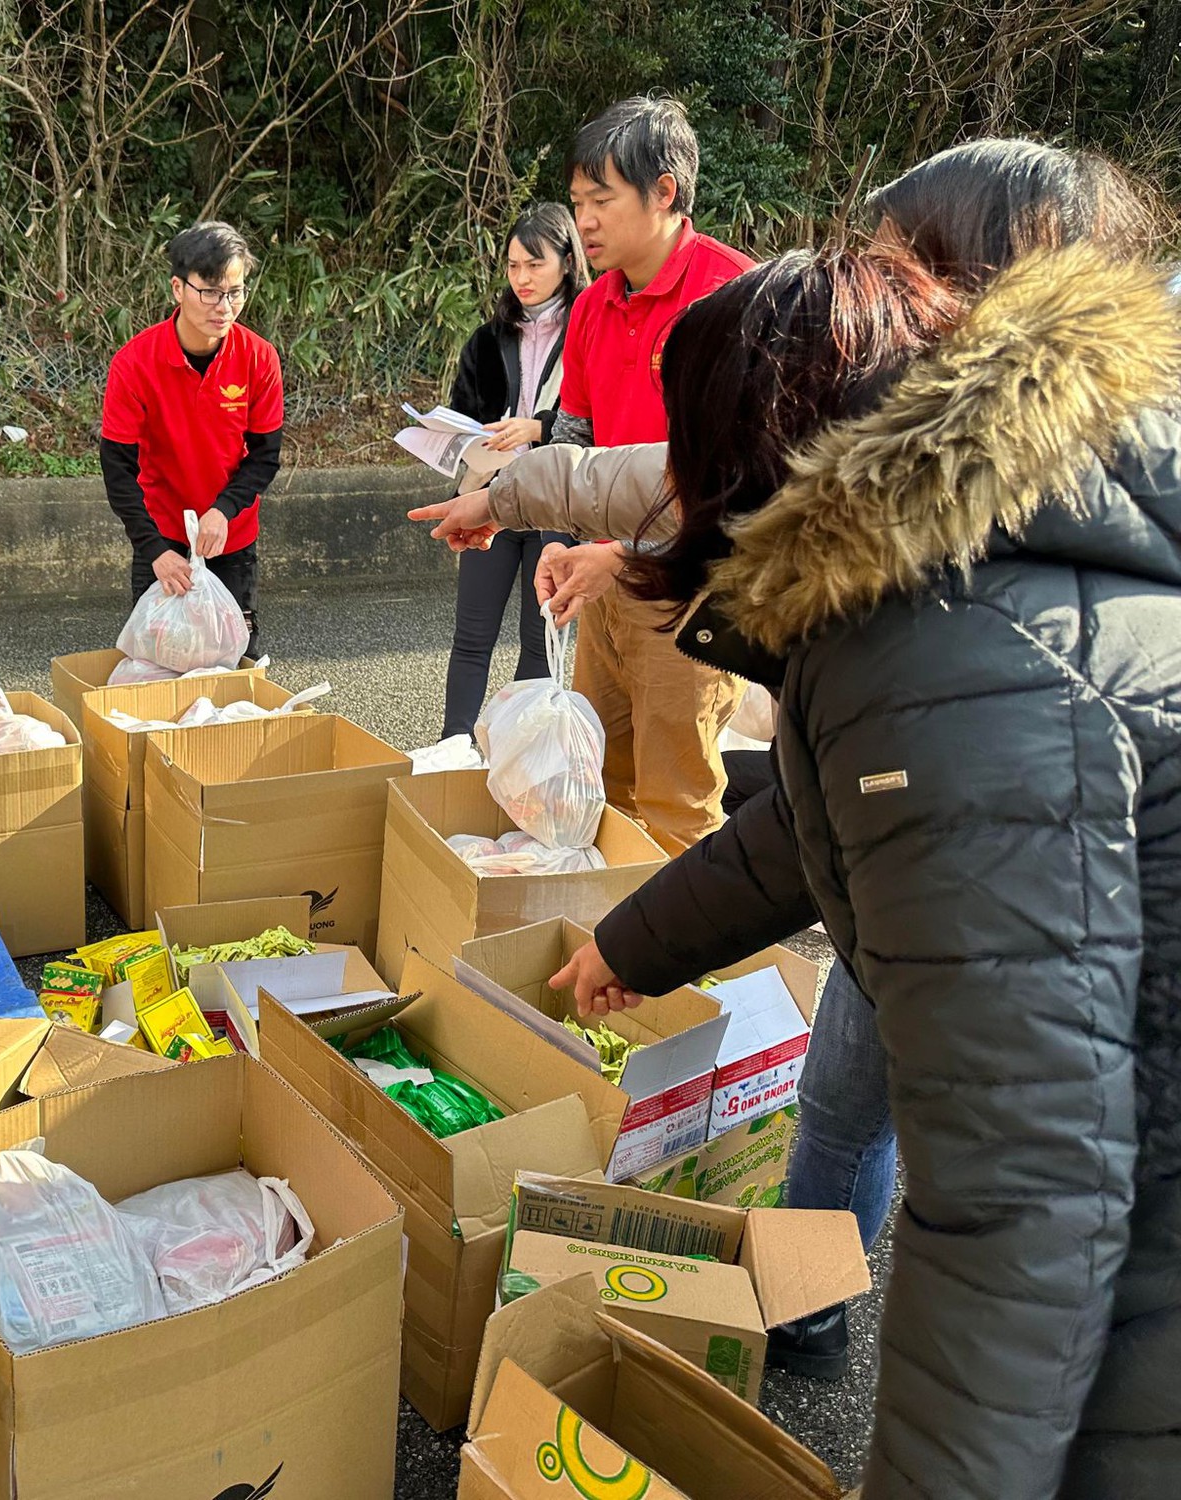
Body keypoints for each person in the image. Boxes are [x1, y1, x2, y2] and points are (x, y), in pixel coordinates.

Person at [417, 137, 1163, 1382]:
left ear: (965, 302)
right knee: (841, 1085)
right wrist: (639, 942)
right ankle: (804, 1306)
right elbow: (832, 803)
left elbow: (1015, 1232)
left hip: (1064, 1225)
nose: (863, 300)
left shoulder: (970, 613)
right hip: (948, 900)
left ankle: (805, 1308)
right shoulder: (926, 507)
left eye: (890, 274)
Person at [551, 236, 1181, 1499]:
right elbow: (806, 827)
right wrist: (632, 944)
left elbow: (1020, 1208)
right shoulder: (944, 574)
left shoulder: (941, 659)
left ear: (748, 447)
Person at [419, 97, 751, 854]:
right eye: (578, 203)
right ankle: (612, 952)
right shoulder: (595, 306)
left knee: (678, 800)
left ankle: (681, 966)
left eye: (602, 199)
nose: (586, 221)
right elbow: (578, 443)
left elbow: (737, 485)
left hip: (693, 591)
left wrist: (622, 555)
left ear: (665, 192)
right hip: (604, 588)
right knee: (598, 787)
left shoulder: (734, 297)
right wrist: (556, 537)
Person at [101, 220, 284, 658]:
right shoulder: (134, 364)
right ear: (177, 289)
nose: (224, 306)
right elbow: (118, 470)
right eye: (210, 291)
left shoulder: (259, 358)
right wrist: (154, 550)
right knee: (156, 664)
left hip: (231, 539)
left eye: (235, 292)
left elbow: (265, 455)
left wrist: (223, 511)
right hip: (160, 538)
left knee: (235, 665)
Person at [438, 203, 589, 737]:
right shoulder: (487, 337)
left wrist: (538, 428)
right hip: (491, 496)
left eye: (534, 264)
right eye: (512, 265)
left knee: (540, 641)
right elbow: (464, 414)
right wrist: (468, 437)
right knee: (471, 637)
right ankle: (452, 748)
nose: (521, 278)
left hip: (556, 503)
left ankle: (521, 756)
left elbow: (591, 421)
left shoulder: (591, 330)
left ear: (568, 263)